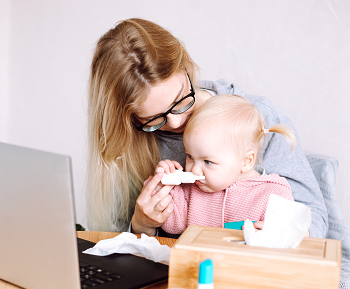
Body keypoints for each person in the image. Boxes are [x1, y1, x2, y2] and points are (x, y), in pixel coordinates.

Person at [87, 18, 327, 238]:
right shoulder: (129, 143)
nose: (176, 123)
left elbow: (313, 217)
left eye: (180, 100)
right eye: (153, 119)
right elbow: (115, 244)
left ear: (186, 63)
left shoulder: (257, 119)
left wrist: (290, 233)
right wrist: (142, 225)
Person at [157, 95, 296, 234]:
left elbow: (295, 236)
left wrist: (279, 233)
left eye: (208, 162)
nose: (195, 170)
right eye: (190, 156)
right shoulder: (190, 189)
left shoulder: (274, 194)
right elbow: (172, 226)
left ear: (246, 161)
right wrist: (162, 185)